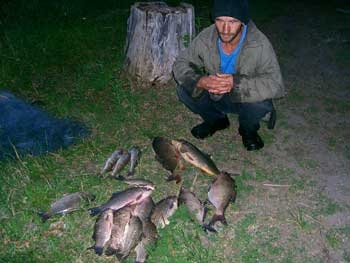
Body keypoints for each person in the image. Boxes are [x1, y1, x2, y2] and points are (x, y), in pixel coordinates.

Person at [172, 0, 285, 151]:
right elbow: (181, 62)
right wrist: (201, 81)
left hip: (245, 99)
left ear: (243, 22)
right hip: (216, 95)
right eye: (220, 20)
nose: (225, 29)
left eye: (232, 21)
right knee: (184, 89)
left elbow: (276, 84)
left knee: (261, 103)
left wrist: (235, 83)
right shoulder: (208, 36)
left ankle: (248, 129)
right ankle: (217, 120)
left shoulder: (259, 43)